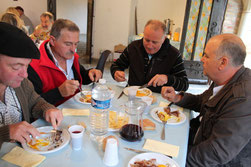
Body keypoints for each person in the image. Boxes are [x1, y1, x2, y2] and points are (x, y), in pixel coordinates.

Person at [161, 34, 251, 166]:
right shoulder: (225, 79)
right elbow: (203, 101)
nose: (202, 59)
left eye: (206, 56)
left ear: (223, 63)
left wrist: (175, 160)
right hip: (199, 138)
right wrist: (177, 97)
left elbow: (216, 152)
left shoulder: (242, 99)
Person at [0, 22, 63, 148]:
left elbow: (34, 102)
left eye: (27, 66)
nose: (25, 74)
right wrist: (6, 133)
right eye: (16, 67)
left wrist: (47, 109)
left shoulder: (21, 84)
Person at [28, 19, 102, 106]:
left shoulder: (70, 56)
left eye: (76, 44)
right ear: (52, 41)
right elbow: (31, 105)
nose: (73, 50)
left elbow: (80, 76)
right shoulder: (34, 67)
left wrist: (90, 73)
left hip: (75, 109)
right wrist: (59, 92)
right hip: (52, 116)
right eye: (68, 44)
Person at [110, 19, 188, 93]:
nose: (149, 46)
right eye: (146, 40)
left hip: (159, 98)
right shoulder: (133, 47)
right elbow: (116, 65)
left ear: (163, 39)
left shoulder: (174, 54)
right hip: (133, 94)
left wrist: (167, 78)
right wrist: (116, 72)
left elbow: (184, 85)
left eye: (154, 42)